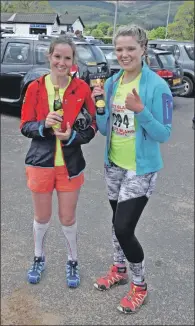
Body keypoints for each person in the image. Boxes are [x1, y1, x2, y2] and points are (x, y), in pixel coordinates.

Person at [92, 25, 173, 314]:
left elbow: (164, 133)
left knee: (124, 228)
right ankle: (119, 269)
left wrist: (141, 110)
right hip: (113, 164)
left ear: (143, 49)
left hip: (141, 168)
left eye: (130, 48)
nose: (124, 54)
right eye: (119, 49)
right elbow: (104, 129)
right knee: (116, 221)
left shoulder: (156, 86)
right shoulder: (113, 83)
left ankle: (139, 285)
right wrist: (99, 104)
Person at [20, 36, 96, 288]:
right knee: (42, 217)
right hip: (40, 162)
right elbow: (25, 126)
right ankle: (38, 257)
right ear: (49, 57)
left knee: (67, 217)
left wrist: (73, 135)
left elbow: (92, 125)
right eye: (57, 57)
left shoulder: (82, 88)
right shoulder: (35, 87)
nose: (61, 62)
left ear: (73, 61)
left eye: (67, 57)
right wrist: (43, 125)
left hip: (70, 165)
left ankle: (73, 260)